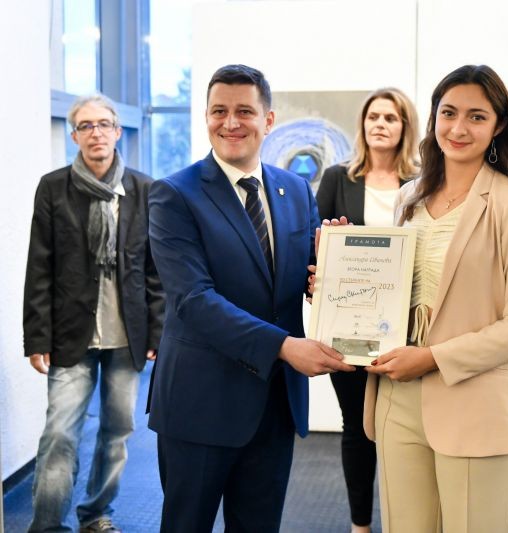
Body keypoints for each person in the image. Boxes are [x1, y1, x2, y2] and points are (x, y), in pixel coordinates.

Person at [147, 64, 353, 532]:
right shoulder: (174, 194)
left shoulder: (295, 189)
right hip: (200, 403)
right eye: (219, 111)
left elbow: (304, 275)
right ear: (206, 117)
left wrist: (334, 268)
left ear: (268, 119)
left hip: (274, 403)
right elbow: (193, 300)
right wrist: (284, 346)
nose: (230, 123)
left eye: (244, 111)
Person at [362, 64, 508, 532]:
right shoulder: (408, 199)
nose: (458, 128)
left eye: (476, 116)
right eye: (448, 113)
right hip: (397, 397)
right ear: (433, 118)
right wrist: (339, 284)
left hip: (474, 401)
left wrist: (432, 358)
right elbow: (396, 294)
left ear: (499, 126)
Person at [23, 93, 165, 533]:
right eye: (86, 126)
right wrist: (36, 336)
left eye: (104, 124)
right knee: (59, 434)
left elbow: (154, 269)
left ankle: (96, 514)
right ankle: (47, 525)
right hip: (70, 334)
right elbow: (40, 265)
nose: (96, 133)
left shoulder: (144, 189)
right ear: (74, 136)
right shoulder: (54, 187)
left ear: (118, 131)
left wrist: (157, 331)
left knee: (117, 433)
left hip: (127, 335)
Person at [315, 87, 419, 533]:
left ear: (404, 126)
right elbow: (316, 246)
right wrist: (318, 274)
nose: (380, 124)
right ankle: (360, 525)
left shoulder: (423, 182)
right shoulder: (338, 178)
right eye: (373, 116)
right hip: (349, 326)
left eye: (390, 118)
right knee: (357, 428)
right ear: (363, 124)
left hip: (408, 330)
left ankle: (405, 522)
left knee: (403, 432)